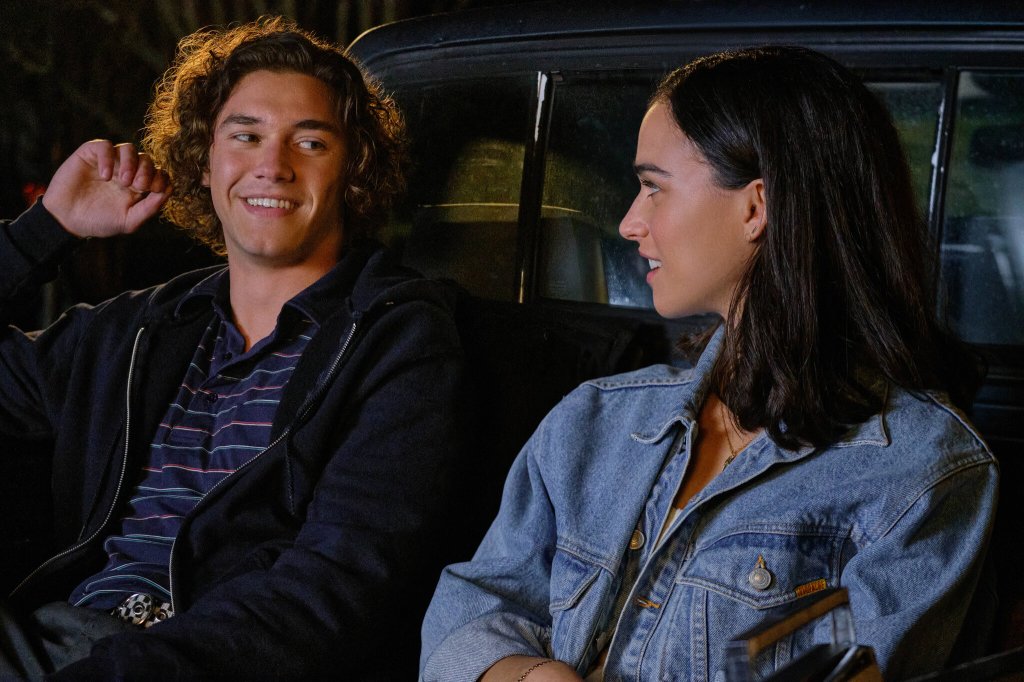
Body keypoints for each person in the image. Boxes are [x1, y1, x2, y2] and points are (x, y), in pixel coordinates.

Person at [419, 46, 998, 682]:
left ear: (757, 206)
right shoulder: (595, 421)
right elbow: (471, 609)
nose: (629, 223)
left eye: (651, 187)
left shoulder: (917, 474)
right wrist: (529, 676)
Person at [0, 16, 466, 680]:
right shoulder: (136, 330)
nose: (271, 167)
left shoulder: (397, 342)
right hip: (52, 639)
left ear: (354, 168)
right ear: (204, 159)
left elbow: (328, 592)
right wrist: (43, 231)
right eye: (245, 136)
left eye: (309, 142)